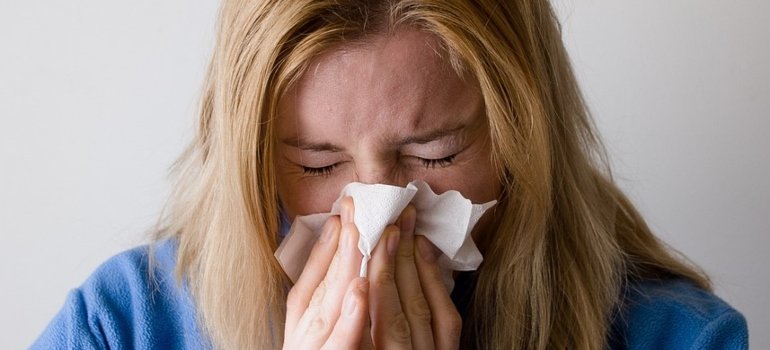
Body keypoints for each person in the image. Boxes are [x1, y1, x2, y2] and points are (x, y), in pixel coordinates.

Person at [33, 0, 748, 349]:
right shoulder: (121, 325)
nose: (379, 213)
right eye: (316, 163)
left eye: (435, 154)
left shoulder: (678, 339)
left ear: (522, 138)